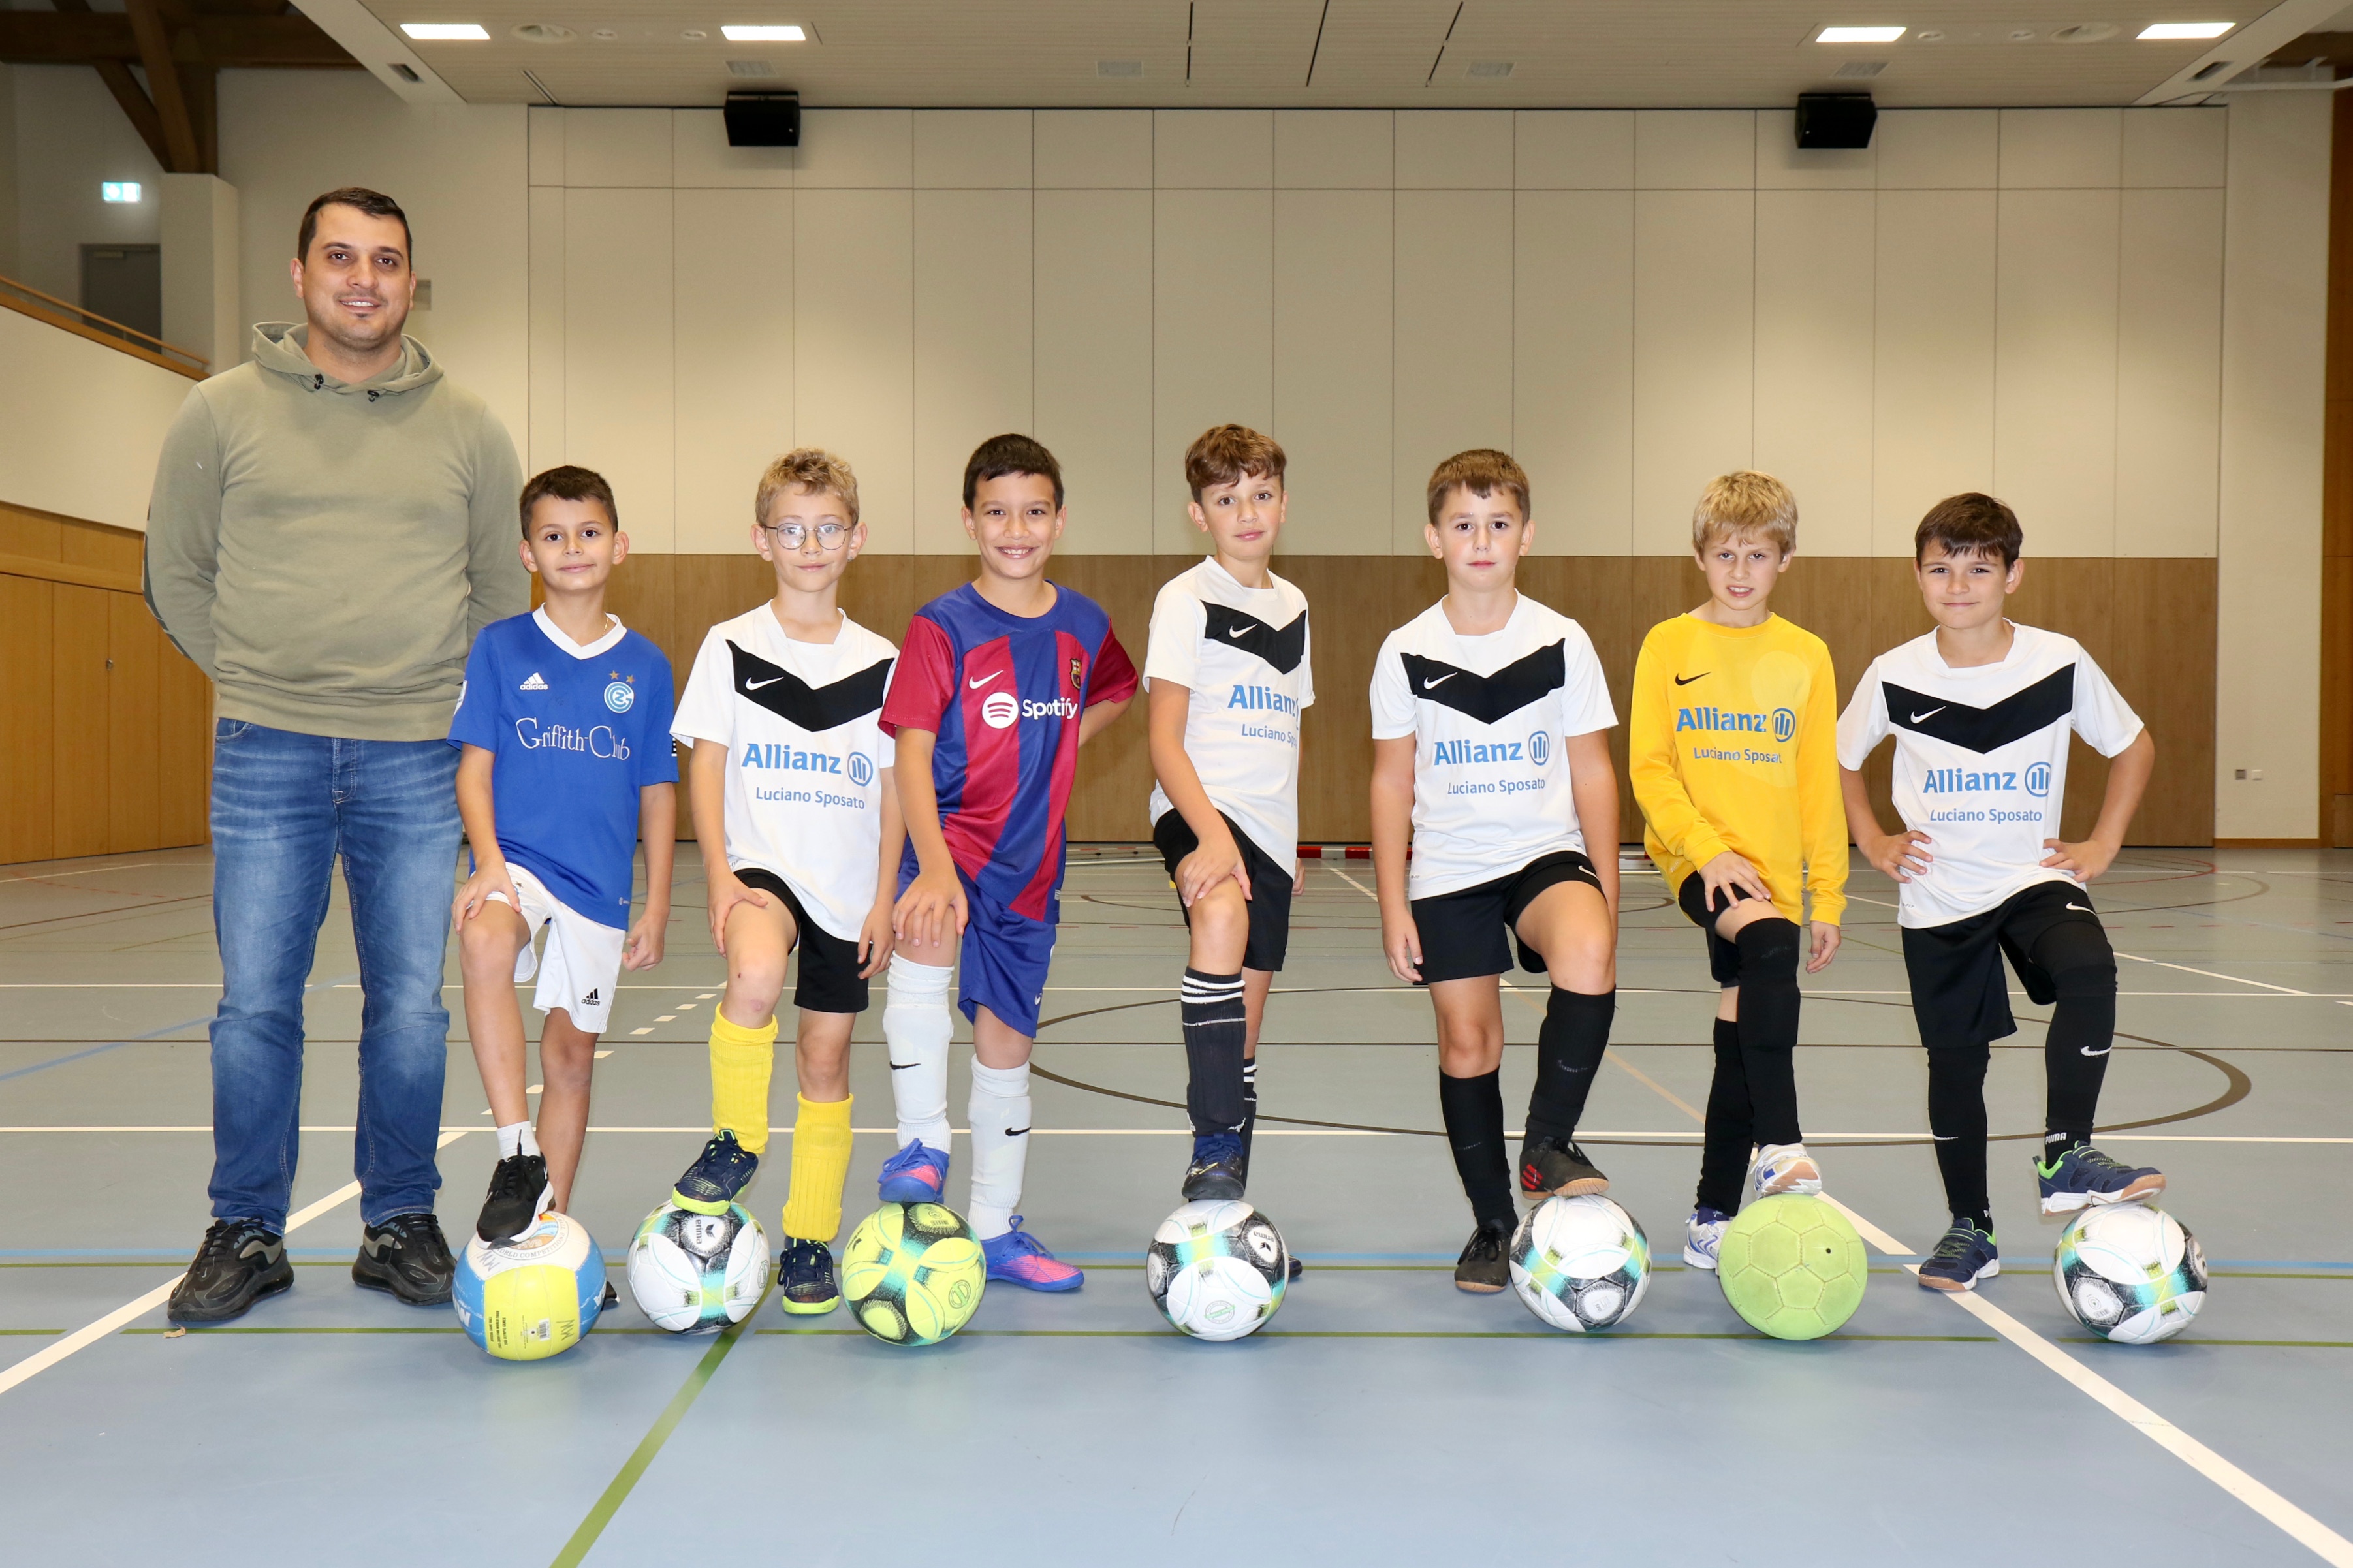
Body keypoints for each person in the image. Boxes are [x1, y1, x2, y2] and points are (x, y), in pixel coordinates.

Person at [145, 187, 525, 1325]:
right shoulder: (218, 412)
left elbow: (499, 594)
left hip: (416, 756)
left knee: (408, 1004)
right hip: (266, 747)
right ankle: (246, 1226)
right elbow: (177, 572)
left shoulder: (470, 426)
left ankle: (398, 1218)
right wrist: (262, 676)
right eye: (342, 256)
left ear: (412, 282)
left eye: (387, 260)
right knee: (255, 1004)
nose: (365, 279)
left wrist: (435, 698)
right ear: (301, 273)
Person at [1838, 492, 2161, 1293]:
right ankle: (1970, 1227)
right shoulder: (1893, 672)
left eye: (1978, 569)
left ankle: (2065, 1152)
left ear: (2012, 575)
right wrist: (1871, 838)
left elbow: (2134, 746)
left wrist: (2103, 840)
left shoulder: (2058, 659)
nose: (1957, 586)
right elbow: (1840, 759)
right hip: (1938, 895)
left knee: (2089, 968)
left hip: (2030, 876)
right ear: (1917, 576)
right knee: (1956, 1064)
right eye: (1939, 570)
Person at [877, 433, 1138, 1291]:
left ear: (1059, 521)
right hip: (949, 842)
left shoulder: (1084, 624)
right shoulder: (942, 625)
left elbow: (1117, 689)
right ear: (969, 520)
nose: (1015, 529)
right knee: (924, 948)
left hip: (1030, 866)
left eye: (1033, 512)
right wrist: (933, 866)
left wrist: (1059, 744)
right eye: (997, 512)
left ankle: (994, 1228)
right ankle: (921, 1145)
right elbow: (910, 754)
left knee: (1007, 1045)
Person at [1368, 450, 1622, 1294]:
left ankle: (1547, 1143)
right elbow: (1391, 781)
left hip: (1542, 852)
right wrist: (1393, 901)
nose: (1482, 541)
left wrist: (1605, 884)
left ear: (1526, 534)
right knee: (1468, 1041)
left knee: (1587, 947)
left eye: (1499, 523)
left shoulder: (1562, 640)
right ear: (1433, 538)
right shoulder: (1406, 650)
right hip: (1450, 866)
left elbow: (1591, 768)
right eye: (1464, 524)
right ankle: (1492, 1221)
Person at [664, 450, 904, 1316]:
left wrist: (884, 897)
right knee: (757, 974)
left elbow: (895, 789)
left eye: (828, 528)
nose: (810, 545)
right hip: (760, 864)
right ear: (761, 539)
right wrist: (717, 870)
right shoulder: (731, 644)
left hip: (848, 885)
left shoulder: (882, 660)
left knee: (825, 1059)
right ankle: (736, 1139)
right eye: (792, 529)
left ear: (856, 539)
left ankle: (809, 1236)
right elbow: (706, 762)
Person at [448, 467, 676, 1243]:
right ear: (528, 552)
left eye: (588, 532)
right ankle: (517, 1152)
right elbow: (473, 770)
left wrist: (656, 904)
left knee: (571, 1057)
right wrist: (487, 863)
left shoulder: (645, 665)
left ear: (619, 545)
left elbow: (658, 791)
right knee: (484, 936)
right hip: (516, 860)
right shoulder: (500, 647)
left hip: (598, 883)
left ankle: (548, 1231)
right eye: (553, 535)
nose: (572, 547)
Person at [1628, 471, 1846, 1276]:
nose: (1740, 571)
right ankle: (1780, 1142)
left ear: (1785, 559)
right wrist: (1705, 848)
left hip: (1775, 875)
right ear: (1699, 556)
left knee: (1739, 1030)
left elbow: (1818, 784)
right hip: (1695, 854)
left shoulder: (1806, 654)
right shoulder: (1668, 644)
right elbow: (1650, 767)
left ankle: (1711, 1214)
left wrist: (1828, 894)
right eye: (1725, 554)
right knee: (1766, 951)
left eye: (1757, 554)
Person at [1144, 425, 1312, 1205]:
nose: (1246, 512)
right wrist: (1212, 833)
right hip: (1199, 805)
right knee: (1218, 917)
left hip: (1268, 831)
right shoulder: (1185, 599)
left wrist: (1290, 841)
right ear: (1199, 513)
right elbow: (1163, 738)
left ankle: (1224, 1206)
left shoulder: (1294, 604)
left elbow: (1290, 729)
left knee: (1242, 1031)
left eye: (1261, 494)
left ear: (1283, 502)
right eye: (1226, 499)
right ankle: (1211, 1147)